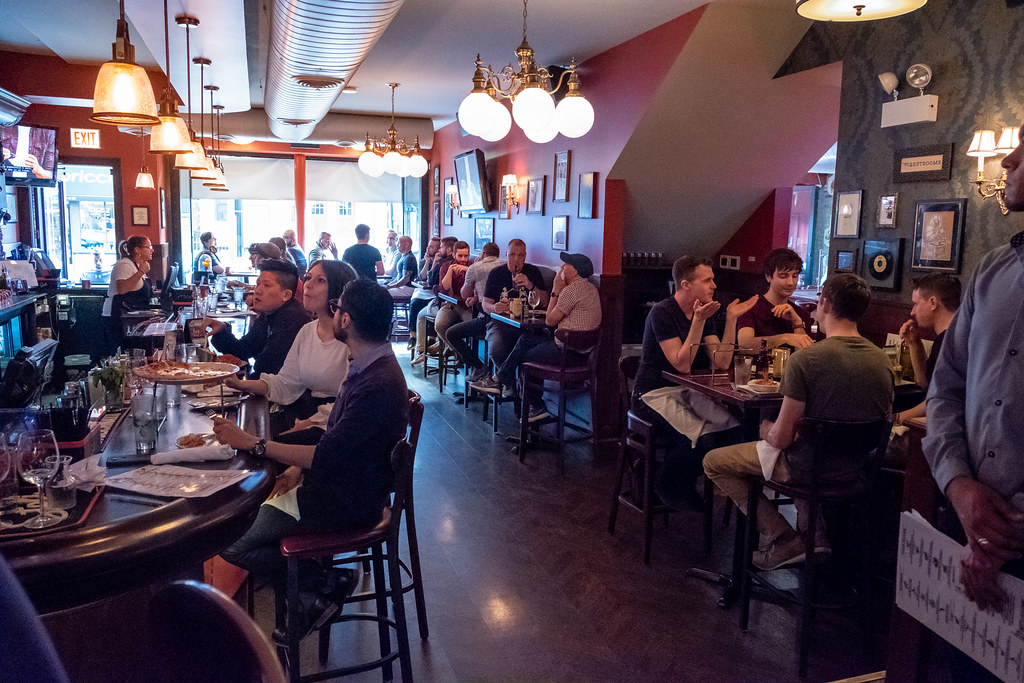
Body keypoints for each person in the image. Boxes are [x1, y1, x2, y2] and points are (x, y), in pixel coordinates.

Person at [214, 278, 408, 641]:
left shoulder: (375, 383)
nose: (334, 314)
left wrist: (255, 444)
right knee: (246, 516)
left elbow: (326, 456)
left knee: (227, 536)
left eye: (337, 308)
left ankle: (321, 583)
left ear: (345, 320)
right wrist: (285, 458)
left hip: (343, 502)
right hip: (345, 487)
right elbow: (334, 440)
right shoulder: (370, 363)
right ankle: (312, 591)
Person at [703, 273, 893, 570]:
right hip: (854, 470)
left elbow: (781, 439)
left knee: (714, 461)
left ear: (825, 304)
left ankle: (781, 538)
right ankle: (815, 537)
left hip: (805, 468)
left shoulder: (805, 360)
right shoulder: (882, 360)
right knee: (807, 447)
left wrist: (764, 427)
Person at [922, 131, 1024, 629]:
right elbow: (946, 386)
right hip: (962, 519)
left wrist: (1002, 532)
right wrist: (958, 484)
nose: (1008, 160)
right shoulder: (993, 269)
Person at [631, 255, 757, 509]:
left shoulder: (704, 312)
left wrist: (731, 319)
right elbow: (682, 364)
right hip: (652, 393)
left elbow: (721, 361)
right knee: (701, 440)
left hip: (685, 391)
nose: (714, 285)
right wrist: (698, 321)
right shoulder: (662, 312)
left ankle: (670, 477)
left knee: (735, 431)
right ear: (686, 284)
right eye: (707, 280)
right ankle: (665, 483)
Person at [226, 260, 358, 438]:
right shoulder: (308, 331)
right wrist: (238, 384)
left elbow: (351, 402)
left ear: (339, 289)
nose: (308, 284)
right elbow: (286, 383)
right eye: (308, 278)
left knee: (252, 444)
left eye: (320, 280)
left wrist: (308, 424)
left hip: (336, 426)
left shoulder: (352, 339)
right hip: (304, 416)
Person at [485, 252, 602, 422]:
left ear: (575, 271)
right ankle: (500, 379)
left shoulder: (571, 291)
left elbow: (549, 320)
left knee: (525, 357)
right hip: (584, 354)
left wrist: (555, 289)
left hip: (567, 354)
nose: (562, 268)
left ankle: (536, 406)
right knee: (526, 340)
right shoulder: (591, 289)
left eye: (566, 265)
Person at [205, 259, 311, 377]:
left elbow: (267, 368)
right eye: (258, 284)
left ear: (286, 295)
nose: (257, 290)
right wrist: (221, 330)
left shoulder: (292, 319)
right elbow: (244, 349)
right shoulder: (269, 313)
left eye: (266, 285)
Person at [473, 238, 550, 383]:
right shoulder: (496, 273)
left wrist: (530, 285)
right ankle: (510, 385)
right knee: (497, 349)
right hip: (500, 323)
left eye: (521, 255)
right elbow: (485, 304)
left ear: (525, 256)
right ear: (506, 254)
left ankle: (515, 387)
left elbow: (545, 303)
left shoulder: (533, 272)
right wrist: (494, 308)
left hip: (527, 326)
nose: (516, 259)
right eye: (513, 255)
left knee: (530, 348)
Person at [892, 273, 961, 426]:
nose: (912, 312)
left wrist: (895, 419)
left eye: (916, 304)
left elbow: (937, 402)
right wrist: (914, 343)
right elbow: (925, 383)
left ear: (933, 303)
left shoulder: (949, 341)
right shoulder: (954, 335)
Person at [445, 241, 504, 381]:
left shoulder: (475, 268)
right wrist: (477, 297)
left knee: (451, 334)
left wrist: (470, 273)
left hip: (486, 318)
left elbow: (464, 294)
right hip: (504, 318)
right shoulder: (505, 266)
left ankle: (478, 367)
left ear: (483, 254)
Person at [737, 248, 813, 350]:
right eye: (783, 276)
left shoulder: (801, 314)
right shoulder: (751, 308)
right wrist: (784, 338)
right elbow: (744, 345)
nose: (790, 282)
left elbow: (804, 355)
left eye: (794, 276)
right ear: (768, 277)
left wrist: (797, 323)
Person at [413, 240, 472, 366]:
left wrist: (468, 270)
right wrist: (450, 270)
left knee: (471, 326)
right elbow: (444, 288)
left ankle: (467, 358)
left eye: (466, 256)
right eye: (460, 256)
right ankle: (458, 353)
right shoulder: (445, 266)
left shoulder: (472, 267)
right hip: (449, 305)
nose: (463, 259)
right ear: (454, 255)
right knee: (439, 325)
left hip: (467, 307)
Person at [101, 235, 154, 354]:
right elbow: (122, 289)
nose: (152, 250)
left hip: (128, 316)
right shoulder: (125, 264)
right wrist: (141, 272)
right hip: (116, 316)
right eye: (149, 247)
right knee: (119, 353)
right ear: (137, 250)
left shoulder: (138, 265)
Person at [407, 237, 441, 349]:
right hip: (422, 292)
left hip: (434, 293)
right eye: (428, 245)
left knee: (430, 305)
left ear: (438, 249)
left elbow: (432, 281)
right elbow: (422, 277)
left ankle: (431, 338)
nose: (428, 248)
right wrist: (427, 262)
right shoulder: (423, 261)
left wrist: (434, 263)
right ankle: (413, 336)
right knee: (415, 303)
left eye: (431, 246)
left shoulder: (442, 263)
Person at [385, 235, 418, 300]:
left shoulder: (409, 258)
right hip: (402, 287)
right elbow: (398, 276)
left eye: (399, 243)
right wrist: (390, 284)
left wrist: (391, 286)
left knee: (383, 293)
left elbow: (405, 280)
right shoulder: (404, 256)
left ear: (406, 245)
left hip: (408, 288)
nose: (397, 245)